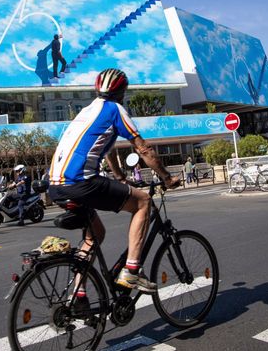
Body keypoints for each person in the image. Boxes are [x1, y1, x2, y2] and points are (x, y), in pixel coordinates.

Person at [48, 68, 181, 294]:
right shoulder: (115, 110)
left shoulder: (87, 112)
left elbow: (107, 149)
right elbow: (144, 150)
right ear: (122, 92)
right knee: (143, 202)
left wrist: (120, 177)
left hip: (56, 186)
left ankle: (78, 295)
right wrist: (167, 178)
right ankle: (132, 271)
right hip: (82, 183)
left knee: (95, 235)